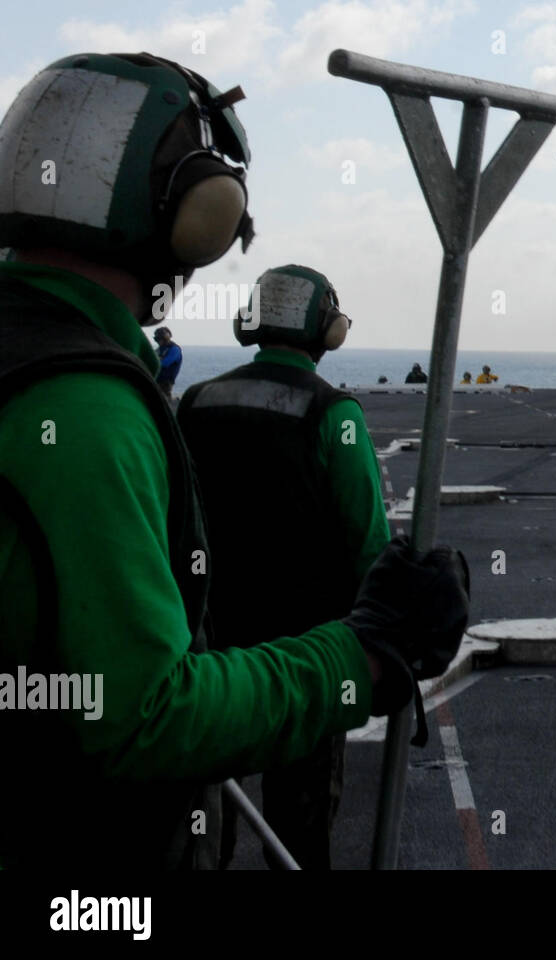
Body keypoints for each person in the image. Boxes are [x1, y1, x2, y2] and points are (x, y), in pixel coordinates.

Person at [0, 52, 470, 870]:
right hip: (91, 853)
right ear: (196, 212)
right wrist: (367, 652)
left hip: (223, 661)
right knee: (300, 833)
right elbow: (143, 717)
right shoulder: (93, 408)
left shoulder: (189, 398)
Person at [178, 265, 390, 869]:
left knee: (206, 821)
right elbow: (369, 543)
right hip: (307, 658)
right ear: (326, 328)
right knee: (299, 831)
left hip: (209, 655)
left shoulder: (196, 402)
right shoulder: (334, 414)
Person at [154, 326, 182, 396]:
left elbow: (165, 363)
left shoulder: (174, 349)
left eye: (159, 339)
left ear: (165, 338)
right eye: (156, 339)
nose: (158, 341)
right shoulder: (160, 349)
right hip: (156, 379)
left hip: (166, 383)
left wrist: (155, 360)